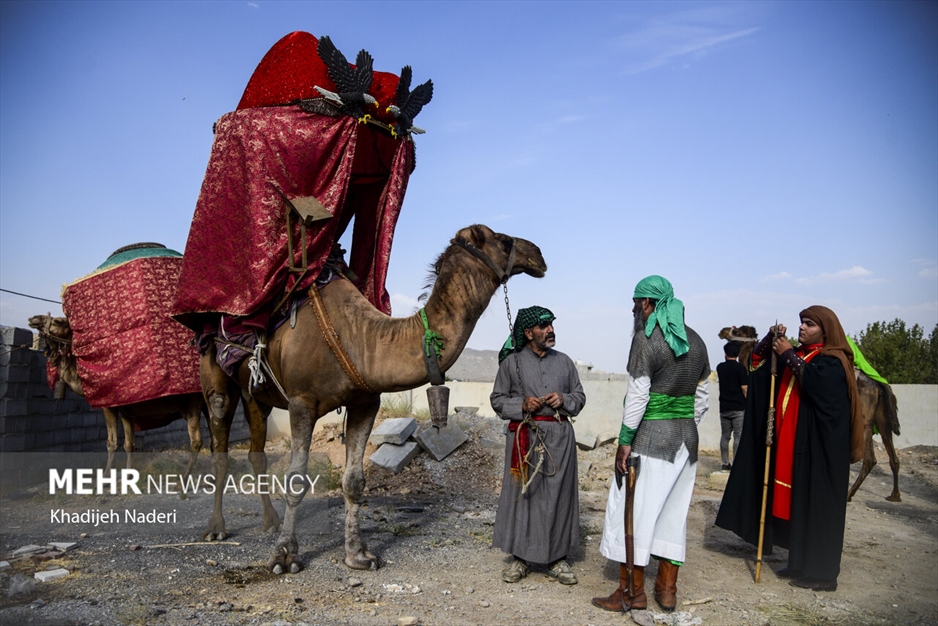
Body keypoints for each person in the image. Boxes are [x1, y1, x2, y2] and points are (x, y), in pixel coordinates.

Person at [715, 306, 864, 592]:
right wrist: (770, 342)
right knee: (800, 506)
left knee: (817, 509)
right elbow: (758, 369)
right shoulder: (800, 355)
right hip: (795, 447)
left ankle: (822, 574)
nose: (802, 328)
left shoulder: (833, 361)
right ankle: (799, 563)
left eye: (809, 324)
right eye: (801, 323)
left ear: (826, 329)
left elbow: (817, 383)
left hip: (821, 452)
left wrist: (787, 353)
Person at [592, 276, 710, 613]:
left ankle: (631, 593)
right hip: (687, 441)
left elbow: (638, 397)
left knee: (635, 512)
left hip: (650, 441)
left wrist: (624, 442)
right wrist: (682, 424)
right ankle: (667, 590)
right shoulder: (697, 341)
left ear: (648, 303)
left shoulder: (645, 339)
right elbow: (700, 399)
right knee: (673, 514)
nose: (633, 308)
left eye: (636, 301)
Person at [491, 305, 586, 586]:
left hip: (560, 437)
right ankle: (520, 558)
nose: (550, 330)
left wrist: (565, 400)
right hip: (526, 437)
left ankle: (557, 559)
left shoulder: (566, 362)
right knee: (525, 496)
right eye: (544, 326)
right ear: (528, 332)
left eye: (551, 325)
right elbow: (497, 400)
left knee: (558, 497)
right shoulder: (512, 364)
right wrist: (521, 404)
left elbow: (579, 397)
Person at [717, 342, 748, 470]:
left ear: (725, 353)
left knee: (725, 436)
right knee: (738, 436)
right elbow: (744, 388)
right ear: (738, 354)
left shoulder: (720, 367)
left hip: (724, 407)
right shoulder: (740, 368)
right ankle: (736, 463)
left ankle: (725, 463)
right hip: (738, 407)